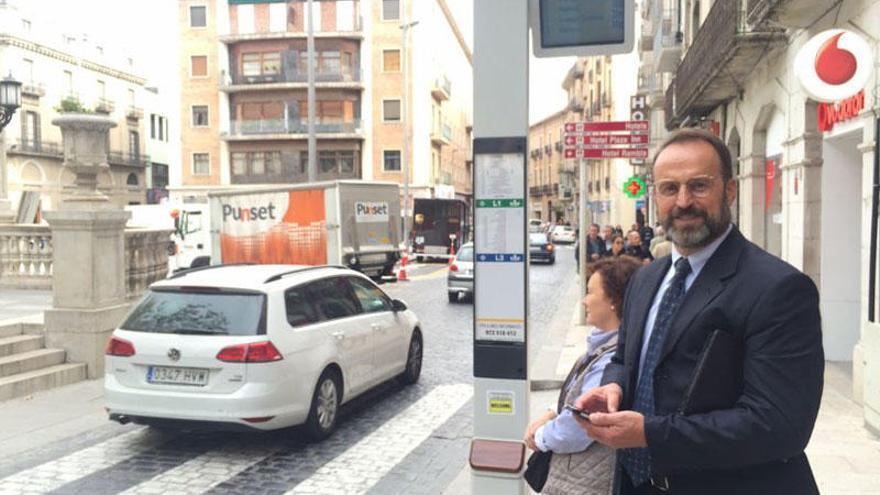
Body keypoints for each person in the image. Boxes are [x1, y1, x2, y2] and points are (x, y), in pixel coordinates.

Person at [574, 128, 824, 495]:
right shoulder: (646, 278)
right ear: (655, 195)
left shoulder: (779, 289)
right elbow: (626, 360)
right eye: (670, 188)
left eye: (699, 186)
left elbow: (780, 426)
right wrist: (613, 385)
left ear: (731, 190)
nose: (683, 201)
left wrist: (649, 433)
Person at [524, 257, 641, 495]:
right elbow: (575, 393)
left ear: (613, 301)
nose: (584, 300)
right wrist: (550, 413)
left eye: (590, 292)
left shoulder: (611, 358)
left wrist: (540, 436)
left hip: (584, 482)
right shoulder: (604, 347)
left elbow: (578, 427)